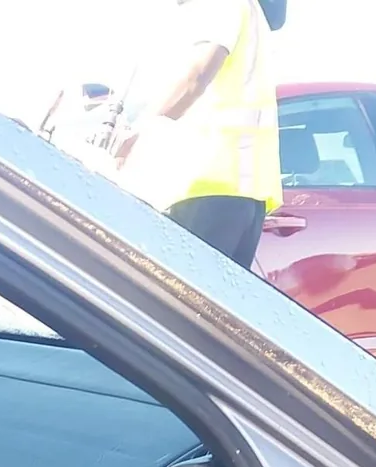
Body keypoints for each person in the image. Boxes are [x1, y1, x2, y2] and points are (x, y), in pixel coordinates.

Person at [112, 0, 283, 267]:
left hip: (204, 186)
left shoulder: (219, 5)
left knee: (170, 289)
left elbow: (197, 77)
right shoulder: (249, 12)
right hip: (241, 197)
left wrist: (138, 134)